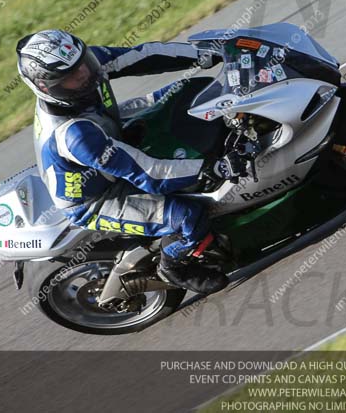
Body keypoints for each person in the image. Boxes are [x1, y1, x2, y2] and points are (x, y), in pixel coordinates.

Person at [16, 29, 244, 294]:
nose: (84, 74)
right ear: (47, 87)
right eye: (71, 77)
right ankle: (173, 265)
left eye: (83, 64)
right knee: (188, 216)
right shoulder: (74, 135)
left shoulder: (82, 65)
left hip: (111, 131)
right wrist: (213, 168)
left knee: (194, 91)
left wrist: (208, 53)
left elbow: (144, 56)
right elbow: (152, 174)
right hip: (98, 197)